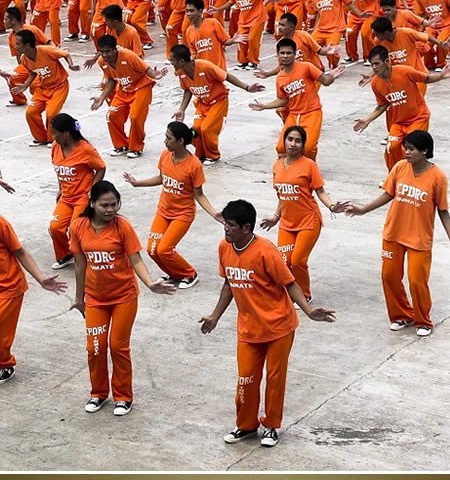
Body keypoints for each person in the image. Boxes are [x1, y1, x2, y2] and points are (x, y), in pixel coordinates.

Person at [200, 199, 335, 447]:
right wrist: (214, 316)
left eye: (231, 225)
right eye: (225, 224)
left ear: (246, 227)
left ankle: (271, 426)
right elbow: (229, 284)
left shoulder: (265, 251)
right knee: (246, 380)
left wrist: (308, 310)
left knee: (274, 379)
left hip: (278, 328)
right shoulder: (224, 247)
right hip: (248, 329)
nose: (226, 228)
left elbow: (289, 283)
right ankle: (246, 426)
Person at [69, 181, 175, 416]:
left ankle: (123, 397)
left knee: (118, 347)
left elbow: (135, 259)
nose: (110, 210)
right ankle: (98, 393)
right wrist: (79, 298)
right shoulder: (78, 227)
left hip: (123, 297)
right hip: (95, 299)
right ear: (92, 203)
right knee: (95, 348)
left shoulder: (122, 227)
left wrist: (150, 283)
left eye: (114, 204)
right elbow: (79, 264)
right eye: (104, 205)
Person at [342, 130, 450, 337]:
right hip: (394, 233)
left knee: (417, 281)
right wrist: (363, 209)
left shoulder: (438, 177)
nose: (406, 152)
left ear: (424, 151)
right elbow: (388, 194)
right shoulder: (400, 167)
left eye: (411, 149)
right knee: (389, 276)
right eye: (405, 148)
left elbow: (443, 211)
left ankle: (423, 321)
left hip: (419, 239)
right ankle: (401, 315)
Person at [124, 122, 222, 289]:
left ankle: (189, 274)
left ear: (181, 141)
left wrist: (214, 213)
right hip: (163, 211)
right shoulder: (165, 155)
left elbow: (199, 194)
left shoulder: (194, 165)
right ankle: (174, 274)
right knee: (152, 250)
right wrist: (137, 183)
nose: (165, 141)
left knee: (164, 250)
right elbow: (162, 178)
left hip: (182, 215)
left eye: (169, 138)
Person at [260, 125, 344, 301]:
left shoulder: (309, 165)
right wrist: (276, 217)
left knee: (297, 261)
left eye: (298, 141)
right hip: (286, 223)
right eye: (290, 139)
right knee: (284, 261)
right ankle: (290, 293)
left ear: (303, 144)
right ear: (284, 141)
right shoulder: (277, 166)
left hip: (308, 221)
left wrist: (332, 206)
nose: (293, 144)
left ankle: (304, 295)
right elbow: (282, 196)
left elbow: (320, 191)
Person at [354, 44, 450, 168]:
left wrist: (441, 76)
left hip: (418, 118)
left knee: (411, 148)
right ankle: (394, 176)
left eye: (377, 64)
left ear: (387, 61)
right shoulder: (375, 83)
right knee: (391, 148)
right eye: (372, 64)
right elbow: (382, 105)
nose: (374, 67)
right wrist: (367, 119)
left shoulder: (405, 71)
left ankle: (414, 174)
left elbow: (426, 78)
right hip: (399, 122)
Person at [0, 210, 67, 384]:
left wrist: (40, 278)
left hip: (8, 287)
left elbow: (20, 252)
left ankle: (5, 365)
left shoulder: (1, 224)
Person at [250, 38, 344, 159]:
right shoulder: (280, 78)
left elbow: (325, 81)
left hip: (312, 113)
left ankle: (310, 166)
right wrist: (264, 106)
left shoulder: (306, 67)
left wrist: (331, 76)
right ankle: (287, 167)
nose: (285, 56)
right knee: (281, 148)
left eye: (289, 53)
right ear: (277, 55)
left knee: (308, 148)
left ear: (295, 54)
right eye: (282, 53)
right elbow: (283, 100)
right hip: (294, 115)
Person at [170, 44, 264, 164]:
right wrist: (181, 109)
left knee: (207, 129)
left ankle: (213, 156)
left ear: (182, 61)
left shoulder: (205, 66)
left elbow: (227, 76)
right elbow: (187, 90)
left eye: (172, 59)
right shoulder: (180, 72)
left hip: (218, 102)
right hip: (202, 104)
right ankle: (201, 154)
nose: (170, 62)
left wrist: (247, 87)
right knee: (195, 130)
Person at [91, 35, 167, 158]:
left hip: (141, 88)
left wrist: (156, 75)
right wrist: (102, 96)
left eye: (108, 51)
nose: (105, 55)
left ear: (115, 49)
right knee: (111, 115)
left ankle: (136, 147)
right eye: (102, 51)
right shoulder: (101, 61)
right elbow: (111, 79)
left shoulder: (129, 56)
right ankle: (121, 145)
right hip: (123, 90)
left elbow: (147, 69)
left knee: (136, 117)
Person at [49, 113, 106, 270]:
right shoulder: (55, 147)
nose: (53, 137)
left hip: (82, 197)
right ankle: (65, 255)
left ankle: (84, 256)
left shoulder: (85, 149)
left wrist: (92, 190)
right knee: (55, 227)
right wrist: (60, 188)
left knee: (76, 228)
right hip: (66, 197)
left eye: (55, 133)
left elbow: (101, 168)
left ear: (66, 133)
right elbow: (58, 169)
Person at [10, 30, 79, 146]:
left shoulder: (46, 50)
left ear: (27, 45)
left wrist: (70, 65)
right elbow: (32, 72)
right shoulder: (24, 58)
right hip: (42, 89)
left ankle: (53, 139)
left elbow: (65, 53)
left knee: (51, 114)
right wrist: (25, 85)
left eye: (18, 43)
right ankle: (40, 138)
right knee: (30, 112)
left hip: (59, 87)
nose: (15, 46)